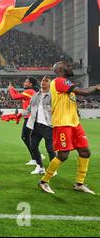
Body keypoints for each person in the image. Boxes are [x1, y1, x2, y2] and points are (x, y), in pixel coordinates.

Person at [39, 61, 100, 195]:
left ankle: (79, 183)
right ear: (60, 70)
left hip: (75, 124)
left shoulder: (66, 86)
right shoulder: (59, 81)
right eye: (68, 66)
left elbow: (75, 97)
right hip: (63, 123)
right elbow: (84, 92)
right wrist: (96, 87)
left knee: (85, 152)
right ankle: (44, 181)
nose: (70, 67)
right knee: (63, 155)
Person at [25, 76, 56, 175]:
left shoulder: (53, 96)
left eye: (46, 81)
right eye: (42, 80)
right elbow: (29, 109)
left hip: (48, 126)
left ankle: (52, 169)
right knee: (33, 146)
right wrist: (18, 114)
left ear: (50, 84)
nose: (44, 82)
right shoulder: (35, 95)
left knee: (50, 149)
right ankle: (40, 166)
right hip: (36, 125)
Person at [8, 77, 40, 165]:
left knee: (26, 137)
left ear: (31, 84)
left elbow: (14, 96)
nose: (24, 83)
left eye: (26, 82)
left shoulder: (29, 91)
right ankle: (35, 157)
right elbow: (19, 95)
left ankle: (36, 157)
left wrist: (10, 89)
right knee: (28, 137)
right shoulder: (31, 92)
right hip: (30, 117)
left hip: (30, 117)